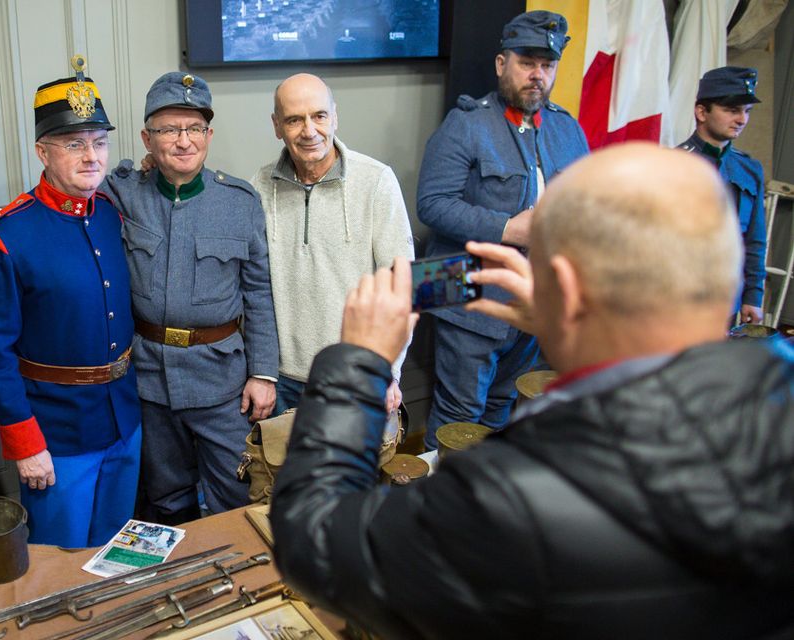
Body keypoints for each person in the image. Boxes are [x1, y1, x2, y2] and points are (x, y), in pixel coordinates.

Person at [270, 142, 794, 638]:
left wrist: (361, 361)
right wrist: (568, 323)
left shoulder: (513, 495)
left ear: (563, 288)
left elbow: (311, 544)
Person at [0, 72, 278, 525]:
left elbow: (258, 292)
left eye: (194, 129)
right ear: (147, 140)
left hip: (220, 383)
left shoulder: (235, 201)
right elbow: (50, 208)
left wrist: (263, 372)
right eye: (169, 130)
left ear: (208, 135)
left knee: (239, 493)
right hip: (145, 386)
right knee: (162, 503)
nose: (183, 141)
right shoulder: (117, 195)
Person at [0, 67, 140, 547]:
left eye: (99, 142)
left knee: (115, 553)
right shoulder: (5, 235)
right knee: (58, 566)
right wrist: (26, 444)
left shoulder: (109, 213)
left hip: (123, 420)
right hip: (56, 437)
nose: (92, 156)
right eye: (73, 144)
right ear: (42, 151)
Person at [416, 10, 589, 449]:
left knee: (505, 404)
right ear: (501, 64)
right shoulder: (466, 123)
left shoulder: (568, 129)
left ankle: (479, 503)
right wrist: (509, 228)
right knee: (458, 413)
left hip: (535, 293)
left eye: (547, 65)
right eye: (527, 62)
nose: (538, 75)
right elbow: (430, 205)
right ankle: (436, 510)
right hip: (460, 286)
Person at [249, 73, 414, 416]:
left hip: (355, 374)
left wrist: (389, 368)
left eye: (319, 116)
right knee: (284, 472)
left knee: (354, 472)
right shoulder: (259, 187)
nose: (309, 131)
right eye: (294, 120)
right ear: (276, 125)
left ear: (335, 116)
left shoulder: (377, 182)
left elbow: (405, 287)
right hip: (281, 383)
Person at [679, 65, 767, 324]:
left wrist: (753, 296)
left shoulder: (749, 170)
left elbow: (754, 240)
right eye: (732, 110)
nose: (742, 119)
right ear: (701, 112)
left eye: (747, 111)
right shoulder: (671, 164)